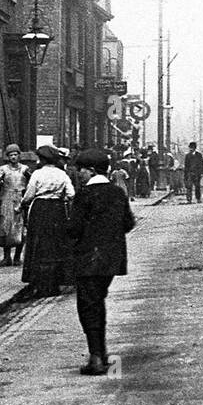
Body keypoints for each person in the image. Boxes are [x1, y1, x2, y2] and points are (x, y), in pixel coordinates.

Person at [67, 149, 136, 375]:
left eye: (81, 170)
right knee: (98, 301)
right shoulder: (117, 193)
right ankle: (102, 353)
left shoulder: (83, 195)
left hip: (88, 259)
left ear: (91, 170)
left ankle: (96, 357)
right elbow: (128, 224)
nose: (79, 174)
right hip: (110, 260)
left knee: (88, 305)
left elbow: (74, 229)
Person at [21, 145, 75, 297]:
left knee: (38, 246)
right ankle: (55, 284)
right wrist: (60, 197)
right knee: (56, 246)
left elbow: (29, 194)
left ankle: (40, 284)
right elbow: (71, 194)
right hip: (57, 210)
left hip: (40, 209)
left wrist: (23, 203)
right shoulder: (62, 174)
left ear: (42, 159)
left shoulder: (37, 174)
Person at [0, 144, 30, 265]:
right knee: (6, 228)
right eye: (11, 155)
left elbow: (31, 183)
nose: (13, 157)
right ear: (7, 157)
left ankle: (18, 257)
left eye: (15, 154)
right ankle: (7, 256)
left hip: (20, 198)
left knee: (20, 227)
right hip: (7, 199)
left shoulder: (25, 169)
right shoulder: (3, 169)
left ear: (19, 155)